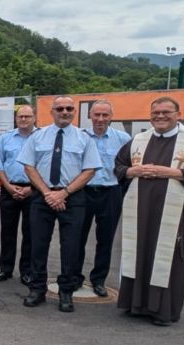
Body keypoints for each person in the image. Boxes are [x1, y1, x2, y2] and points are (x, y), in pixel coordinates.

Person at [115, 97, 184, 326]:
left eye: (166, 112)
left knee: (169, 257)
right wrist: (134, 170)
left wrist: (171, 172)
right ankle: (136, 305)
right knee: (139, 252)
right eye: (156, 112)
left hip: (175, 209)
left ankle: (163, 311)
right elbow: (119, 166)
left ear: (178, 114)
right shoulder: (139, 139)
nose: (160, 116)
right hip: (140, 207)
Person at [18, 96, 101, 313]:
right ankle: (37, 289)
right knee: (38, 245)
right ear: (52, 111)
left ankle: (66, 291)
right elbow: (28, 166)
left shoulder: (84, 138)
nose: (64, 112)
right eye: (60, 108)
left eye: (69, 108)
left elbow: (90, 170)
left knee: (71, 247)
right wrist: (47, 193)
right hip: (42, 197)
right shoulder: (38, 136)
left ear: (74, 112)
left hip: (72, 198)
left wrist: (63, 193)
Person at [76, 100, 131, 296]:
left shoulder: (123, 139)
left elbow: (128, 168)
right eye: (96, 115)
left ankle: (98, 280)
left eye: (104, 115)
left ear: (111, 116)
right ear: (90, 116)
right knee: (76, 238)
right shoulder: (79, 137)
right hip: (83, 192)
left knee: (105, 240)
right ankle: (75, 277)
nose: (100, 119)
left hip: (110, 193)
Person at [0, 106, 38, 285]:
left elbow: (43, 165)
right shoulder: (5, 138)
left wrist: (32, 188)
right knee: (7, 231)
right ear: (16, 118)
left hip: (33, 190)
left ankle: (26, 271)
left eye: (27, 116)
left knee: (30, 233)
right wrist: (8, 186)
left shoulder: (41, 138)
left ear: (34, 118)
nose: (24, 120)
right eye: (20, 116)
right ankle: (5, 269)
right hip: (9, 189)